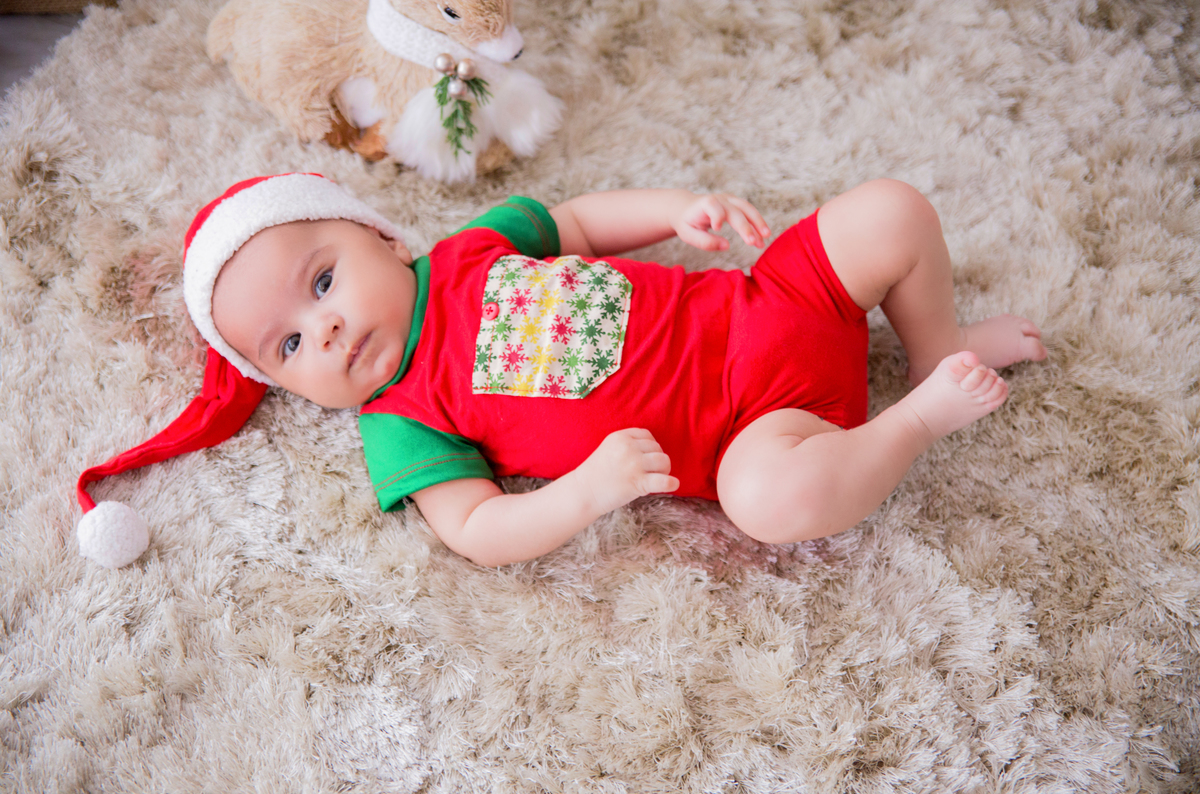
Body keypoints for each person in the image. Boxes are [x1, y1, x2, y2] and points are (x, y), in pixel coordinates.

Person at [74, 173, 1047, 569]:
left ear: (383, 238)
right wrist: (583, 492)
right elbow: (476, 530)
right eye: (287, 347)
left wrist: (672, 212)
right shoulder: (400, 418)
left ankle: (935, 343)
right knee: (772, 502)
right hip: (754, 436)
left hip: (774, 301)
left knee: (889, 210)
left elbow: (575, 221)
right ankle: (916, 416)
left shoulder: (470, 250)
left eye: (323, 281)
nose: (322, 330)